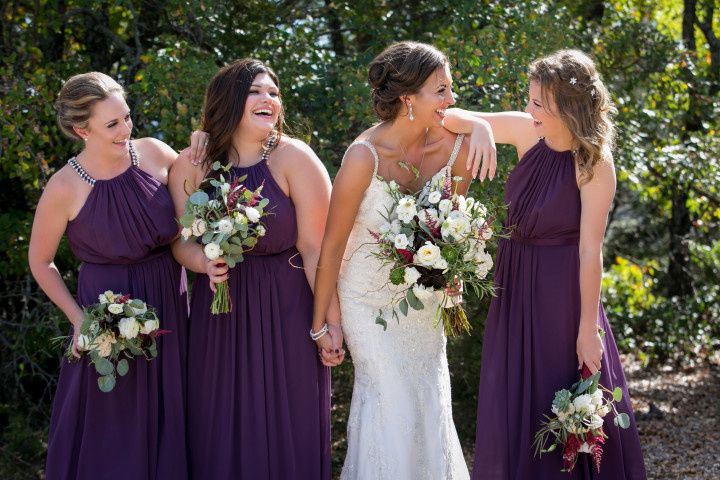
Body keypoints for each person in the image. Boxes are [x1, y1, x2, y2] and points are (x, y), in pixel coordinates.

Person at [444, 49, 647, 479]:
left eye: (539, 103)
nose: (530, 109)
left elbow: (591, 252)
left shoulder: (594, 164)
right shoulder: (525, 132)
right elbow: (450, 116)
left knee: (560, 398)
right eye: (531, 99)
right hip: (516, 286)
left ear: (568, 107)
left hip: (562, 296)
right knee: (516, 394)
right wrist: (480, 126)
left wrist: (586, 329)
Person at [311, 41, 496, 480]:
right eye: (441, 90)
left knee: (428, 405)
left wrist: (482, 128)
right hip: (367, 303)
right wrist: (322, 323)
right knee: (389, 405)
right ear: (408, 99)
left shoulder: (457, 153)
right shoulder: (363, 158)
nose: (452, 100)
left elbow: (450, 230)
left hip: (423, 307)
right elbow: (332, 246)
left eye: (451, 89)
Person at [169, 58, 339, 479]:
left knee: (292, 427)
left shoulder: (294, 158)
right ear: (229, 101)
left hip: (287, 312)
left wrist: (328, 324)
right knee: (219, 429)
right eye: (256, 92)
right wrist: (203, 263)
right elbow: (180, 242)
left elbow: (318, 249)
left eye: (274, 93)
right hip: (219, 318)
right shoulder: (193, 165)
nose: (269, 99)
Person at [28, 72, 188, 479]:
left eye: (127, 117)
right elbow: (41, 261)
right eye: (113, 124)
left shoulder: (154, 153)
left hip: (171, 296)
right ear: (82, 129)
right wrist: (78, 319)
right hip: (109, 314)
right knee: (115, 424)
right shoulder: (64, 187)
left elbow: (197, 195)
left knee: (178, 408)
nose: (126, 130)